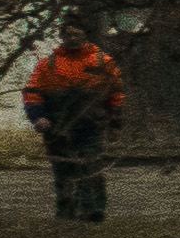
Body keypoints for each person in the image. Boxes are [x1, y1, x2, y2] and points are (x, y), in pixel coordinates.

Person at [25, 26, 128, 222]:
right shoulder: (47, 65)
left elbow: (116, 94)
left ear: (84, 35)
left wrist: (115, 124)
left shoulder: (102, 62)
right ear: (61, 37)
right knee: (63, 171)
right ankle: (66, 214)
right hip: (57, 128)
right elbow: (32, 92)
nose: (72, 38)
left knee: (91, 167)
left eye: (76, 33)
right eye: (68, 34)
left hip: (91, 126)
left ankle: (93, 211)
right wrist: (38, 117)